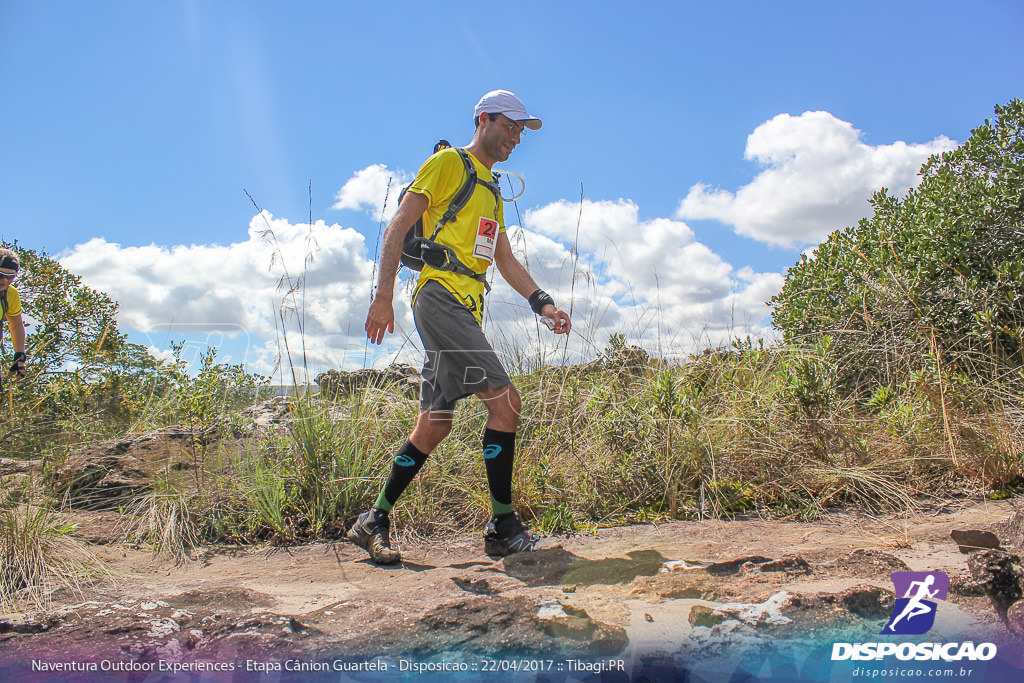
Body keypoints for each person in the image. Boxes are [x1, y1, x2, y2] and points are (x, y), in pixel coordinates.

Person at [348, 90, 571, 564]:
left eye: (521, 129)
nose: (516, 136)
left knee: (434, 426)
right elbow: (397, 225)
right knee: (506, 404)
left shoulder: (491, 192)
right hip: (439, 298)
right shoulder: (449, 163)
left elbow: (504, 258)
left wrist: (543, 303)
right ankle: (502, 526)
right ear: (484, 119)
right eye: (509, 125)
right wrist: (383, 294)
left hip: (465, 308)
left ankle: (373, 520)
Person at [0, 248, 26, 384]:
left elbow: (16, 325)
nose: (5, 280)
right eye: (1, 274)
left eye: (11, 277)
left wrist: (19, 356)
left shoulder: (10, 294)